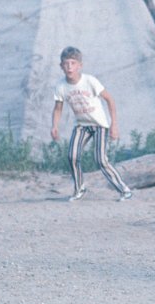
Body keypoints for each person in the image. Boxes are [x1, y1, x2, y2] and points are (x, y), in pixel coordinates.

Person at [51, 46, 132, 202]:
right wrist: (54, 126)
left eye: (73, 63)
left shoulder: (90, 81)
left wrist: (114, 125)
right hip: (82, 125)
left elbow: (110, 100)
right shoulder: (61, 86)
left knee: (100, 159)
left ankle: (124, 190)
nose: (69, 67)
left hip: (99, 125)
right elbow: (58, 109)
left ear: (79, 65)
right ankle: (80, 188)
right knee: (72, 156)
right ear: (61, 66)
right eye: (66, 63)